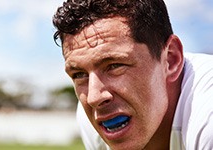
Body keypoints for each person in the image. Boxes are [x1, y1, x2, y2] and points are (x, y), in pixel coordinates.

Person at [52, 0, 213, 149]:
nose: (94, 98)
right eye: (79, 74)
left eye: (114, 66)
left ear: (170, 59)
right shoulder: (92, 122)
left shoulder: (207, 115)